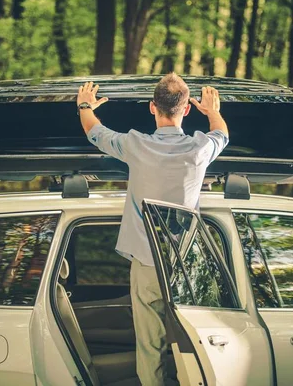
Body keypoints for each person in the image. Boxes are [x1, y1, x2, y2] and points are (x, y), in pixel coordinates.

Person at [76, 73, 229, 386]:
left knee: (150, 343)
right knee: (198, 338)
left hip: (147, 262)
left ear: (151, 107)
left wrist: (84, 105)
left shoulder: (136, 145)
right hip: (187, 266)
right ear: (186, 109)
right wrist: (213, 111)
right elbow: (222, 135)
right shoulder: (200, 150)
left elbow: (96, 133)